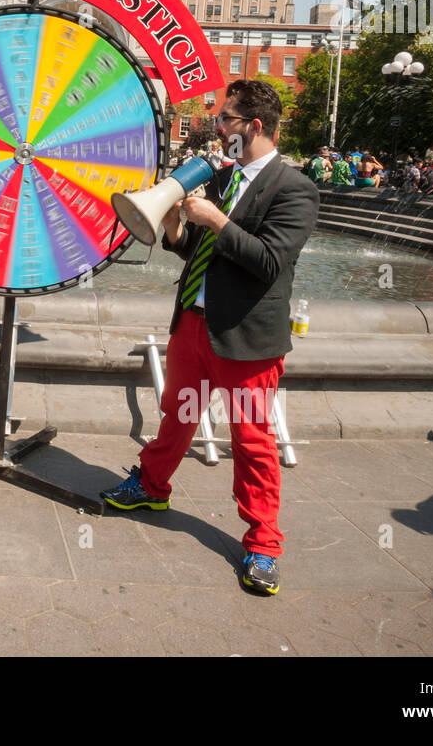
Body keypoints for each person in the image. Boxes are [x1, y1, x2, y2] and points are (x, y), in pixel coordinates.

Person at [100, 79, 319, 596]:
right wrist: (175, 223)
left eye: (227, 120)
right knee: (176, 414)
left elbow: (268, 261)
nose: (218, 129)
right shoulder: (224, 179)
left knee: (252, 441)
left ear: (255, 127)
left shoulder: (294, 188)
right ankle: (152, 487)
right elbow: (191, 248)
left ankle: (263, 544)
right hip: (193, 323)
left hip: (246, 336)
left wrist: (217, 219)